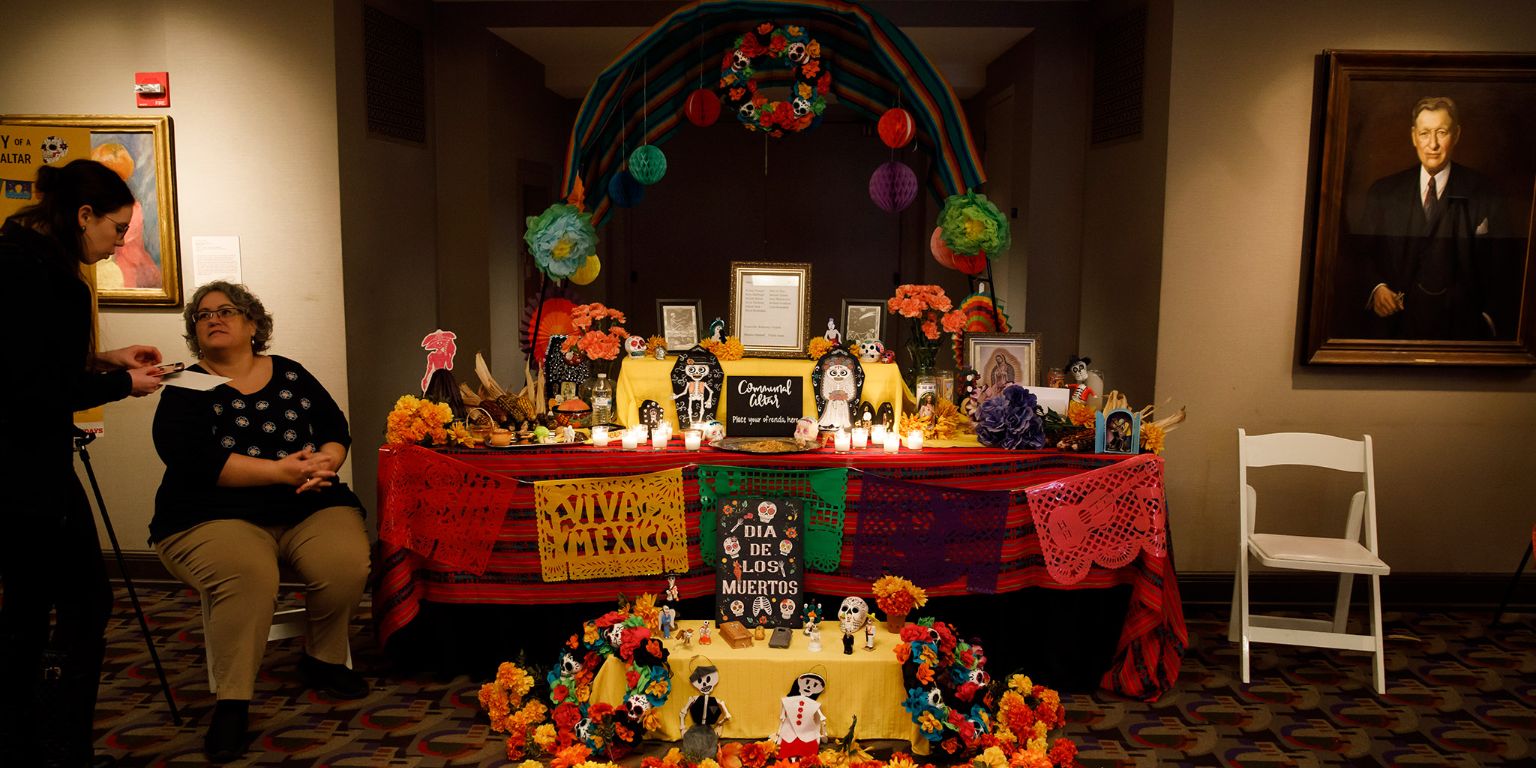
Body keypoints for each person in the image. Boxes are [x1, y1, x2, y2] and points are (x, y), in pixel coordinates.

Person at [150, 281, 370, 762]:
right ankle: (232, 702)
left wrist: (324, 464)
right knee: (250, 574)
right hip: (209, 512)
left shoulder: (289, 372)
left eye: (227, 310)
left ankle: (323, 658)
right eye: (203, 315)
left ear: (253, 324)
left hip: (305, 502)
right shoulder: (185, 385)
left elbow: (335, 429)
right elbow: (197, 461)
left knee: (346, 562)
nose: (213, 318)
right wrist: (280, 470)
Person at [0, 159, 166, 768]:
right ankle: (56, 738)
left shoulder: (13, 253)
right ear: (83, 215)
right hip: (29, 472)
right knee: (75, 604)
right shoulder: (55, 281)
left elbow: (27, 361)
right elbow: (40, 390)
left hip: (21, 466)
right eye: (115, 228)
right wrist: (124, 384)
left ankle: (29, 736)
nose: (120, 242)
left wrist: (101, 359)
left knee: (29, 605)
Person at [1357, 96, 1507, 340]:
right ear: (1414, 136)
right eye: (1425, 133)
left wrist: (1487, 320)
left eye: (1441, 132)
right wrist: (1377, 288)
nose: (1433, 144)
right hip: (1396, 329)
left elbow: (1503, 265)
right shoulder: (1383, 192)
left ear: (1456, 135)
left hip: (1462, 333)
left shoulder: (1486, 191)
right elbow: (1361, 255)